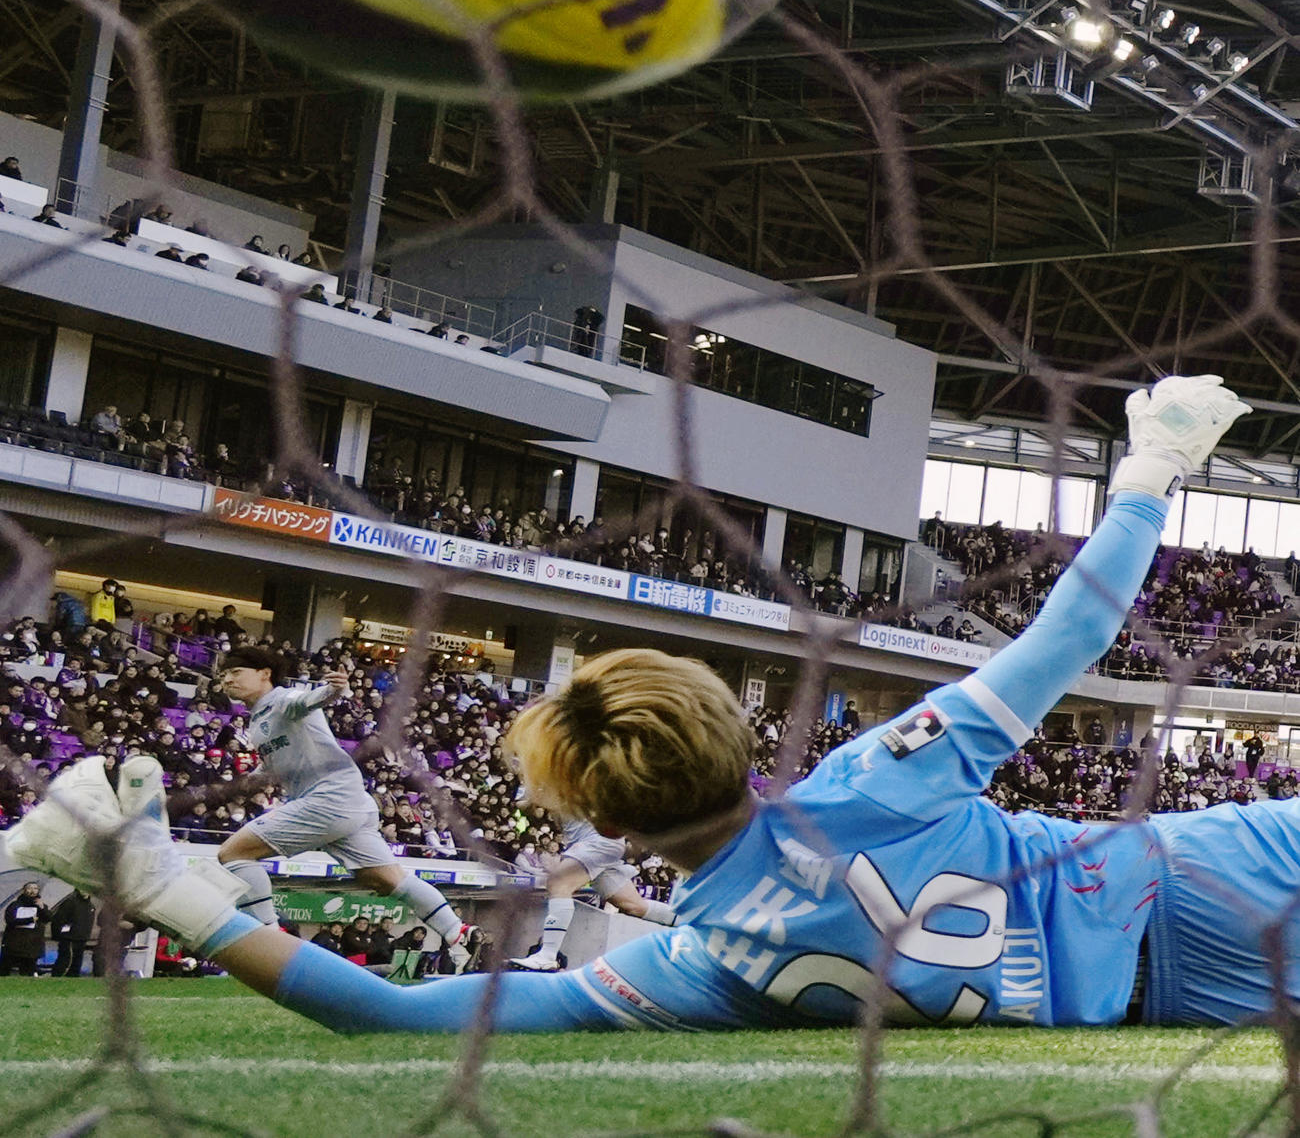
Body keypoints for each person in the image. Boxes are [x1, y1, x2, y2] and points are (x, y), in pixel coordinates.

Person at [17, 376, 1289, 1036]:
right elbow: (1074, 629)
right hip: (1194, 878)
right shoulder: (869, 784)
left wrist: (156, 882)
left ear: (607, 825)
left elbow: (388, 1012)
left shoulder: (703, 961)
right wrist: (1153, 464)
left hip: (1182, 996)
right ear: (741, 735)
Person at [180, 646, 468, 963]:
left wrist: (333, 689)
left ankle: (268, 939)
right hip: (349, 802)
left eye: (235, 672)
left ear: (264, 674)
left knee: (233, 853)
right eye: (223, 675)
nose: (227, 680)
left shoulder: (283, 700)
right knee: (387, 880)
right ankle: (458, 933)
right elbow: (280, 764)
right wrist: (251, 778)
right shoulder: (257, 719)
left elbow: (309, 700)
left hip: (327, 799)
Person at [510, 819, 676, 971]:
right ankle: (690, 920)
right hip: (599, 844)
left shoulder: (561, 788)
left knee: (559, 883)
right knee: (635, 906)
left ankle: (546, 956)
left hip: (596, 842)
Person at [0, 882, 47, 976]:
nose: (32, 891)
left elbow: (48, 918)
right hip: (14, 943)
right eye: (30, 888)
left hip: (33, 945)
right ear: (24, 890)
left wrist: (42, 908)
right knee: (5, 969)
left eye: (35, 888)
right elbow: (10, 920)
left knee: (28, 971)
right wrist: (29, 920)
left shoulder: (41, 906)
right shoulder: (15, 905)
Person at [49, 888, 94, 978]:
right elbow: (58, 920)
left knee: (77, 961)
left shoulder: (90, 905)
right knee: (66, 960)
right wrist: (61, 934)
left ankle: (73, 977)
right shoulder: (69, 902)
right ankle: (57, 977)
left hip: (82, 938)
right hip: (69, 938)